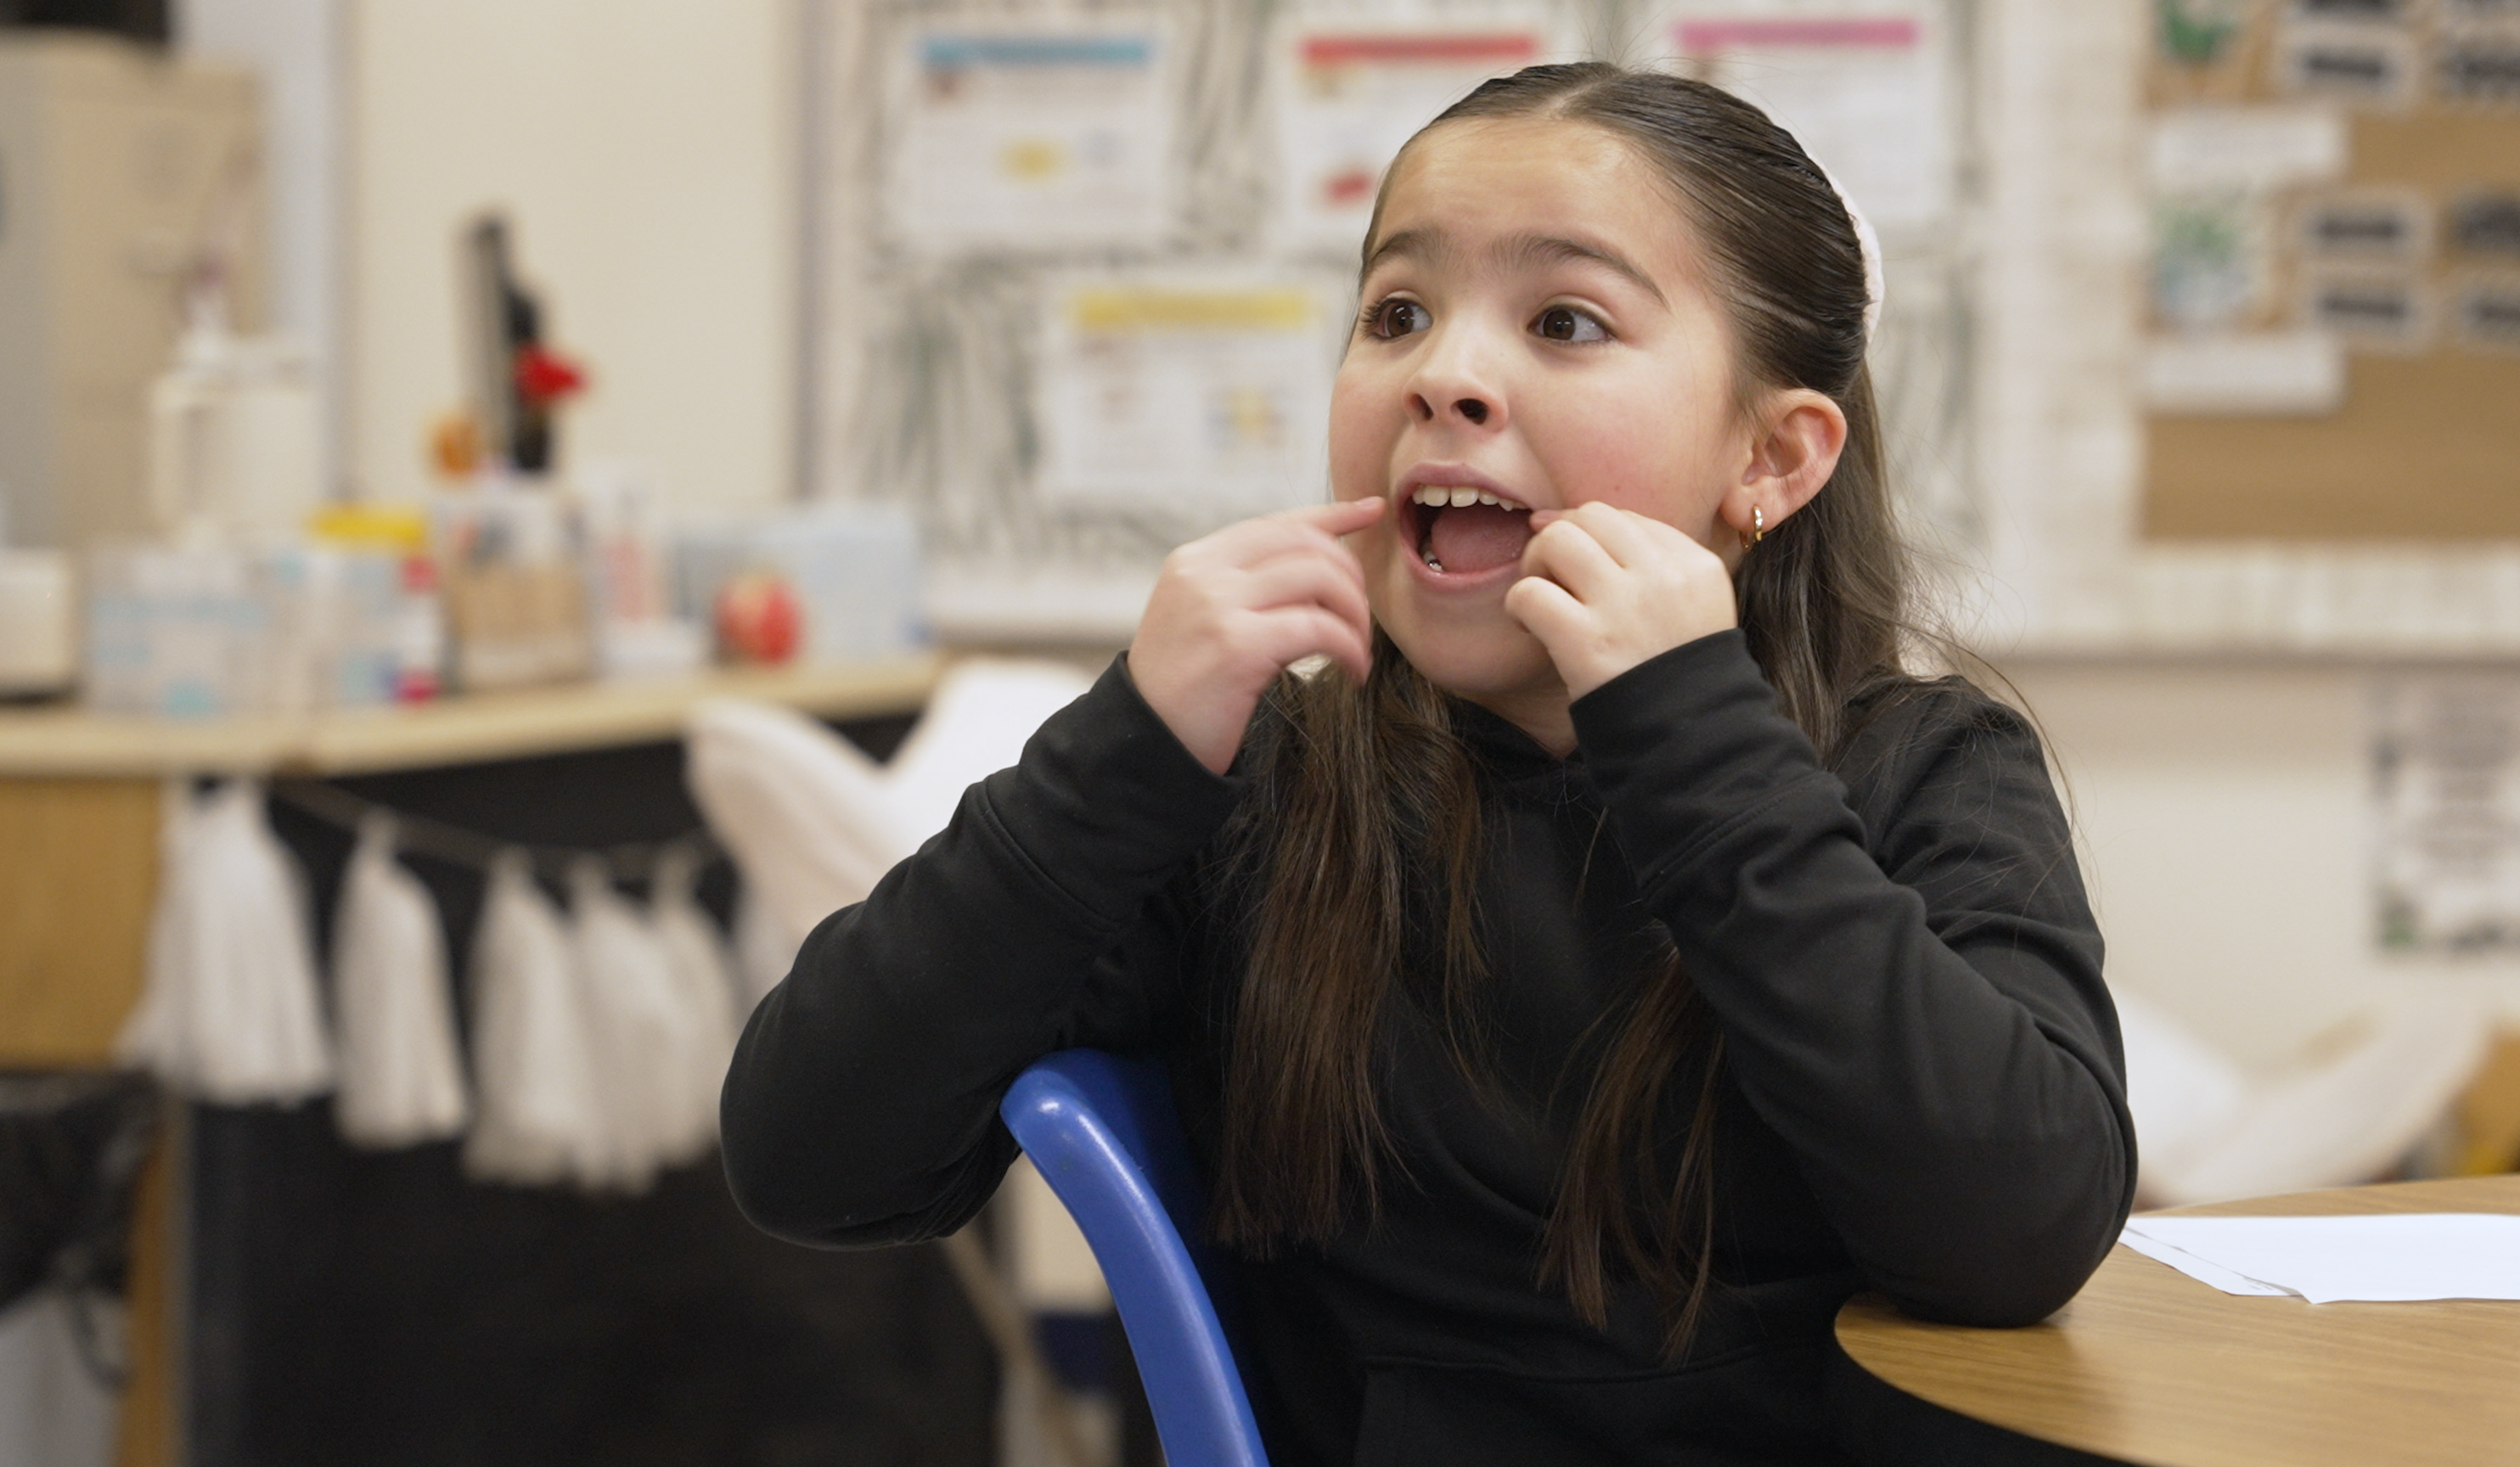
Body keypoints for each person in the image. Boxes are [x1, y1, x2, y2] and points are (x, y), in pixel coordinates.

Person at [723, 62, 2133, 1466]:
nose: (1446, 376)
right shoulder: (1260, 800)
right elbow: (811, 1164)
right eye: (1397, 313)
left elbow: (2017, 1234)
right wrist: (1127, 749)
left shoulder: (1928, 772)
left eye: (1566, 320)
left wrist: (1701, 741)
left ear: (1773, 456)